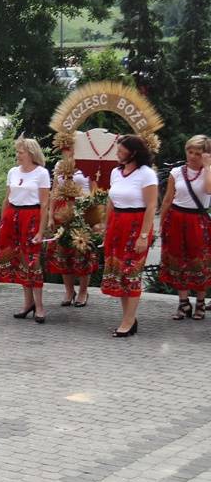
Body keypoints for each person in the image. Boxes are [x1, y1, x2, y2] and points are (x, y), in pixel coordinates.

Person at [103, 135, 159, 336]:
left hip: (136, 224)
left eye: (121, 150)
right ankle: (129, 319)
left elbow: (151, 206)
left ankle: (127, 322)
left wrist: (143, 235)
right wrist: (106, 226)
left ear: (133, 152)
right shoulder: (116, 172)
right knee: (120, 274)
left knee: (131, 272)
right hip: (117, 224)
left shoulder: (146, 174)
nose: (117, 153)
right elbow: (111, 201)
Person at [0, 138, 51, 322]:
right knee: (19, 260)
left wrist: (41, 231)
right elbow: (7, 198)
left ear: (31, 153)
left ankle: (39, 306)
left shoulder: (41, 173)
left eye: (20, 152)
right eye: (17, 152)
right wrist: (2, 222)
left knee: (32, 260)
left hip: (31, 217)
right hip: (12, 216)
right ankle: (27, 303)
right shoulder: (13, 171)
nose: (17, 155)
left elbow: (44, 204)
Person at [158, 135, 211, 320]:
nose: (193, 156)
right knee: (177, 260)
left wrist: (208, 166)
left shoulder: (208, 172)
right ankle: (183, 303)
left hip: (198, 219)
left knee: (199, 262)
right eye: (190, 151)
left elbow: (209, 190)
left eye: (198, 153)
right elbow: (167, 199)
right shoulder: (177, 172)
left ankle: (201, 302)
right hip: (176, 218)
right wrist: (162, 223)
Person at [46, 159, 97, 307]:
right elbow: (54, 192)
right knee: (63, 251)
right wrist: (51, 216)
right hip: (62, 212)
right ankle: (69, 291)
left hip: (82, 210)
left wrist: (94, 216)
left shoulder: (88, 162)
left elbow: (94, 190)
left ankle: (83, 291)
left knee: (82, 252)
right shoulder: (59, 164)